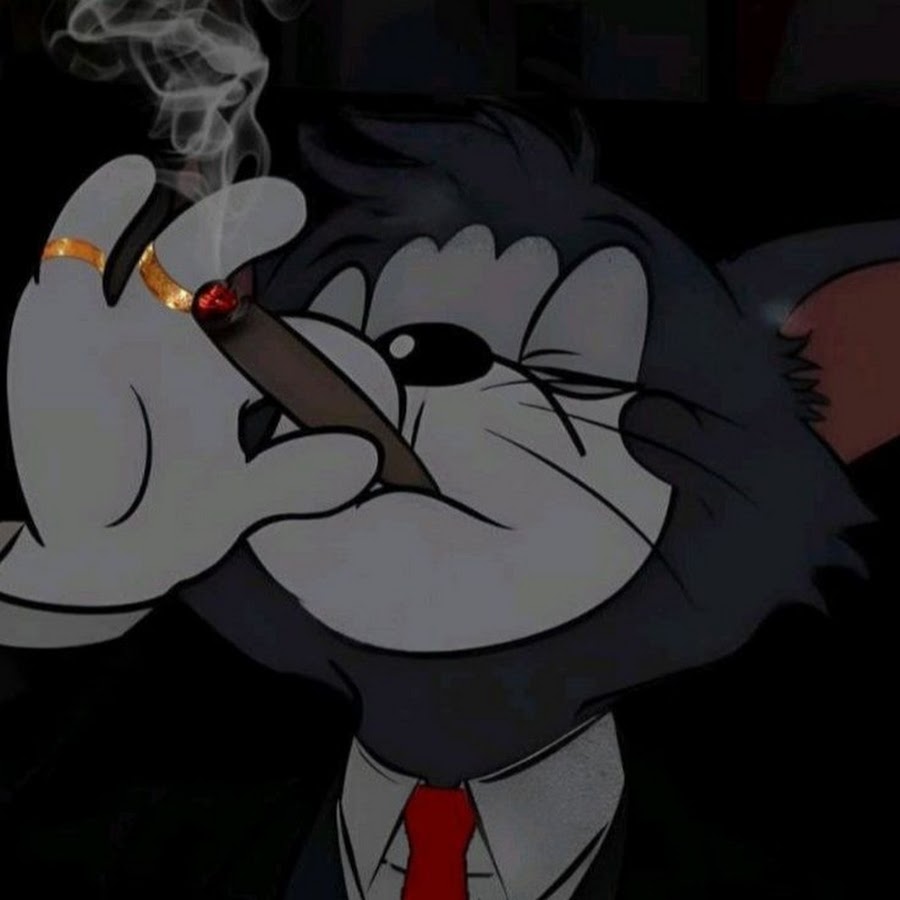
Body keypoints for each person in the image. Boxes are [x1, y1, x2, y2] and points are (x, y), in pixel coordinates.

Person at [0, 105, 894, 898]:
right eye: (358, 337)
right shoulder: (147, 839)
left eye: (563, 359)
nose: (406, 372)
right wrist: (54, 598)